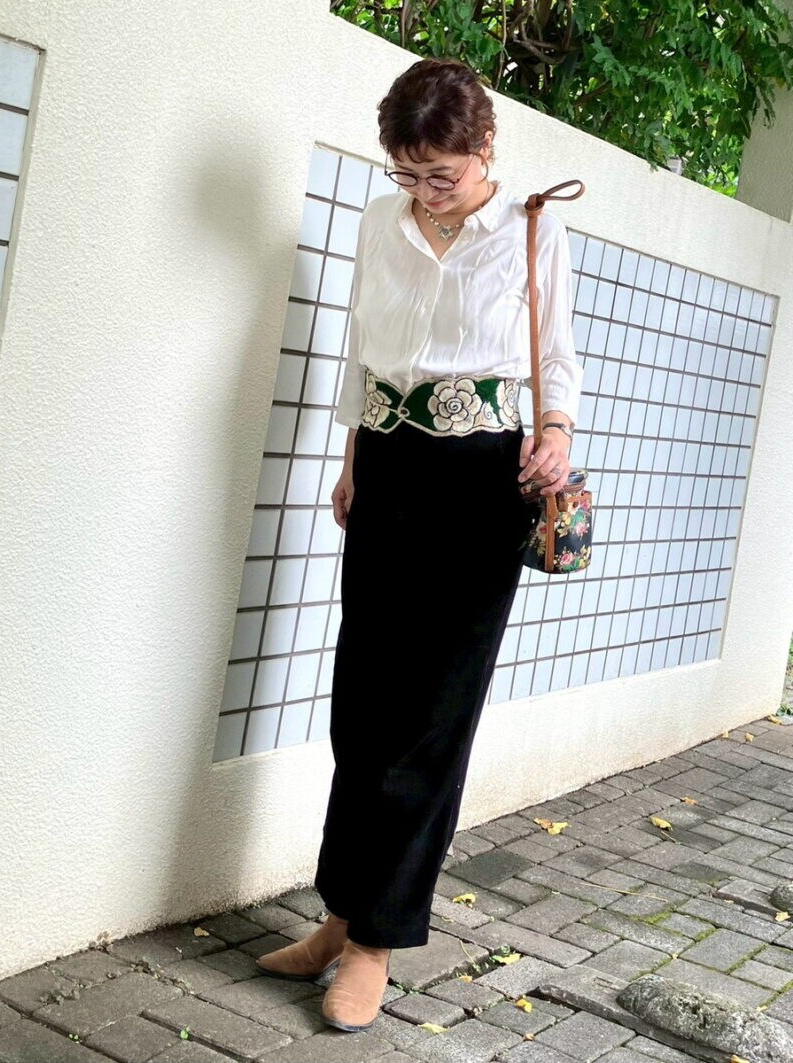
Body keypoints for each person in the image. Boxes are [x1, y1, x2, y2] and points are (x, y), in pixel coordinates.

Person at [255, 57, 584, 1032]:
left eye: (439, 173)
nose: (423, 190)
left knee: (432, 717)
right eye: (406, 172)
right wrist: (351, 458)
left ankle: (377, 940)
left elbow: (556, 352)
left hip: (481, 477)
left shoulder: (531, 226)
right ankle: (339, 912)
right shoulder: (377, 221)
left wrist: (555, 433)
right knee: (362, 702)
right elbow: (364, 348)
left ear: (484, 149)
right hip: (389, 464)